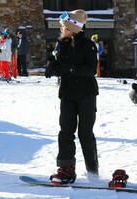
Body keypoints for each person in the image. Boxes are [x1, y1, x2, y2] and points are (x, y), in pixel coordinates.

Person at [45, 9, 99, 184]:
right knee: (66, 131)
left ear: (73, 28)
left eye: (63, 27)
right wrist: (52, 65)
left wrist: (70, 69)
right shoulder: (62, 44)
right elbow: (61, 62)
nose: (61, 29)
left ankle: (92, 170)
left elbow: (91, 70)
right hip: (68, 93)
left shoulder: (88, 45)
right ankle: (66, 169)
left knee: (85, 133)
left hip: (86, 94)